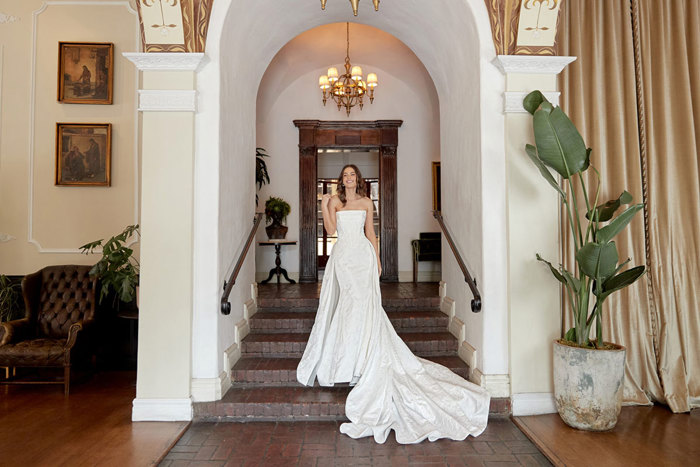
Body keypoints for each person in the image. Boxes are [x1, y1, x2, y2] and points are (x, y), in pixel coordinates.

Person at [297, 164, 490, 444]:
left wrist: (377, 261)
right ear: (341, 180)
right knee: (347, 307)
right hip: (343, 259)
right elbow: (330, 230)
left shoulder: (366, 202)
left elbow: (371, 234)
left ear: (358, 180)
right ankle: (346, 361)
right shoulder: (335, 201)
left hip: (361, 258)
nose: (348, 178)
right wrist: (325, 205)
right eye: (345, 175)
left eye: (352, 175)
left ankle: (363, 359)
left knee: (364, 306)